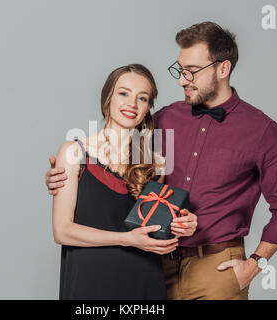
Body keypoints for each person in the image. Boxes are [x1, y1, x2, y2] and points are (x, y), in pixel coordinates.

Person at [46, 22, 277, 300]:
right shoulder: (164, 120)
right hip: (155, 263)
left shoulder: (262, 131)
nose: (181, 80)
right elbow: (117, 168)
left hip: (215, 268)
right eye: (180, 71)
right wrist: (66, 176)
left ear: (223, 69)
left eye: (191, 72)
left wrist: (255, 265)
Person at [52, 64, 197, 300]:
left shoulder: (155, 163)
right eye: (124, 93)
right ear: (107, 96)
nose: (132, 104)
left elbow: (155, 230)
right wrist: (124, 239)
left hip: (144, 281)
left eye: (142, 98)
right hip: (90, 283)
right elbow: (62, 231)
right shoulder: (73, 152)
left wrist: (183, 223)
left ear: (149, 107)